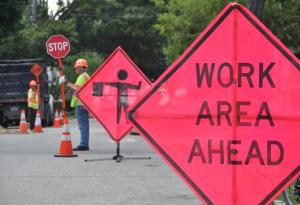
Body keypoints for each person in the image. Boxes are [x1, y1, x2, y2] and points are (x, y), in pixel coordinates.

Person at [60, 59, 90, 151]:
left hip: (81, 104)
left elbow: (77, 89)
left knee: (83, 125)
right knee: (84, 125)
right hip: (84, 103)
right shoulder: (86, 76)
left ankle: (84, 144)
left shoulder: (82, 77)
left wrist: (66, 83)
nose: (76, 69)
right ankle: (84, 143)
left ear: (81, 68)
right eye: (76, 68)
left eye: (77, 67)